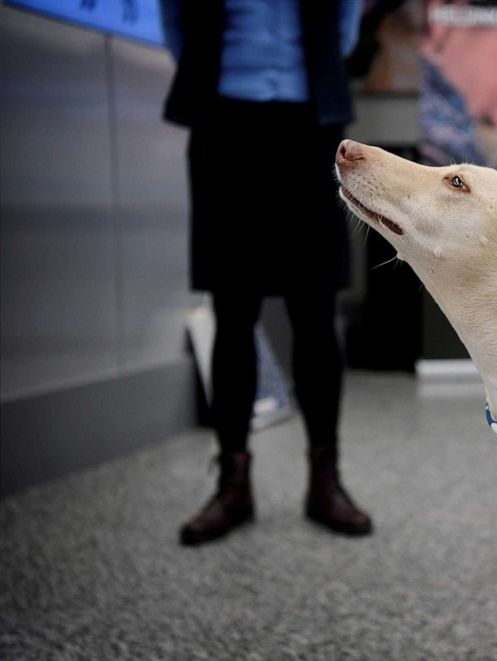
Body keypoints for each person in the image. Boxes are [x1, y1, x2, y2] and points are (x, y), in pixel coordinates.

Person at [160, 0, 373, 546]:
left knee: (316, 307)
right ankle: (233, 483)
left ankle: (325, 480)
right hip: (223, 122)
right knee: (232, 310)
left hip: (311, 124)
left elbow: (344, 21)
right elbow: (177, 20)